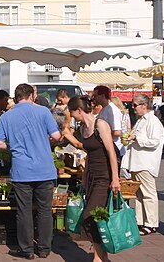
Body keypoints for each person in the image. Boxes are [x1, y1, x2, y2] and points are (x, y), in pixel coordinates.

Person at [0, 84, 61, 260]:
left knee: (24, 211)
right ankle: (45, 248)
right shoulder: (43, 112)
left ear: (16, 97)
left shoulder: (6, 117)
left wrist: (12, 146)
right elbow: (56, 136)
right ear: (31, 96)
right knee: (45, 210)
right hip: (45, 169)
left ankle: (27, 249)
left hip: (21, 169)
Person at [61, 96, 120, 262]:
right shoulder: (83, 128)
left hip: (104, 176)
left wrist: (115, 179)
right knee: (96, 216)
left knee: (90, 216)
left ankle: (99, 258)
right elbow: (84, 147)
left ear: (79, 110)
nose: (72, 117)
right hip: (91, 175)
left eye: (73, 114)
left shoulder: (100, 124)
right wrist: (66, 134)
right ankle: (102, 256)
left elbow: (111, 153)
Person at [121, 94, 164, 236]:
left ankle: (151, 223)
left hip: (145, 163)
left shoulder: (153, 121)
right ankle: (141, 221)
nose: (132, 108)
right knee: (139, 194)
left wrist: (136, 138)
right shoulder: (141, 120)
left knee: (148, 194)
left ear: (144, 106)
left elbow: (154, 142)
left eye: (135, 105)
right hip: (137, 162)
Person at [92, 85, 123, 157]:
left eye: (95, 96)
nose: (94, 98)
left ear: (102, 96)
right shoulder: (104, 109)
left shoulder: (112, 110)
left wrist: (102, 136)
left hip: (114, 149)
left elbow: (117, 132)